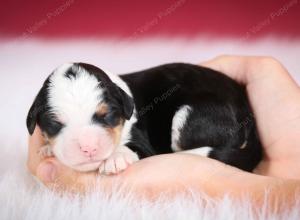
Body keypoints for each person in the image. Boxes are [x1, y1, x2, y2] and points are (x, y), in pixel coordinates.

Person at [27, 55, 300, 210]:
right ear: (35, 120)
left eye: (104, 118)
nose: (87, 145)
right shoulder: (116, 99)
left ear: (124, 108)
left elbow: (139, 147)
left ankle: (213, 151)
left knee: (184, 121)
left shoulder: (131, 112)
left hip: (208, 108)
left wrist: (125, 151)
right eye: (58, 125)